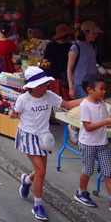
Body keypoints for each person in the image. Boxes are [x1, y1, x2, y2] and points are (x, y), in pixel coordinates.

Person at [10, 67, 82, 221]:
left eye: (46, 84)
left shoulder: (49, 95)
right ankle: (38, 205)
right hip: (28, 135)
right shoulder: (24, 99)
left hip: (44, 137)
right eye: (41, 85)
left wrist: (88, 99)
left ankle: (27, 180)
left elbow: (68, 104)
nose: (45, 87)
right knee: (41, 170)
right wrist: (12, 114)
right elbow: (16, 112)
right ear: (31, 86)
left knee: (40, 171)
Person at [73, 74, 111, 209]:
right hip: (88, 143)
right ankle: (81, 193)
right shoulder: (85, 106)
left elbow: (105, 123)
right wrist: (105, 122)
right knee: (88, 170)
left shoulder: (103, 105)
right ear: (90, 90)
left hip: (102, 144)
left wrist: (107, 123)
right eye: (101, 89)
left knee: (108, 171)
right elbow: (88, 127)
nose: (104, 91)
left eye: (105, 89)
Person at [67, 20, 103, 100]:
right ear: (86, 32)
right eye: (94, 33)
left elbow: (95, 63)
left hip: (93, 84)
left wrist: (102, 71)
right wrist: (71, 87)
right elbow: (69, 69)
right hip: (80, 85)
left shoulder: (93, 47)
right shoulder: (75, 47)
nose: (96, 35)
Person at [41, 24, 75, 99]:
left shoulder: (50, 45)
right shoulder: (70, 46)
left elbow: (45, 61)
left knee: (53, 99)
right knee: (65, 100)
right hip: (65, 77)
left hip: (52, 76)